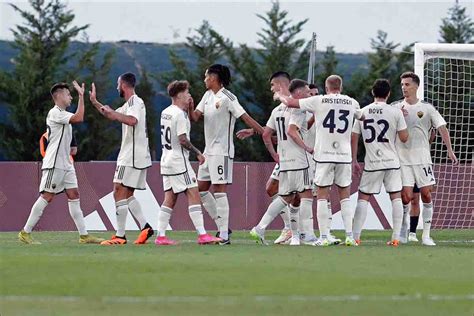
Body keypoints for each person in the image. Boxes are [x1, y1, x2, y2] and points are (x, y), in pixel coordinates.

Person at [275, 75, 361, 246]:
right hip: (344, 155)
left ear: (327, 88)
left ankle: (323, 237)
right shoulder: (351, 102)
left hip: (324, 154)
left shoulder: (319, 100)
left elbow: (290, 103)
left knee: (322, 195)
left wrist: (280, 96)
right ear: (341, 87)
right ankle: (350, 236)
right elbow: (362, 117)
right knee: (344, 195)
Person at [18, 81, 104, 245]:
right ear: (58, 96)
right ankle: (25, 232)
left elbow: (71, 143)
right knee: (47, 196)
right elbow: (79, 118)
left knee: (74, 195)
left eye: (71, 94)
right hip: (54, 164)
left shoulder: (63, 114)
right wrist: (81, 96)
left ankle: (84, 235)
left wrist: (72, 146)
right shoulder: (55, 113)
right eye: (68, 94)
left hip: (66, 164)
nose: (70, 96)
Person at [188, 64, 264, 245]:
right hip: (208, 152)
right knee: (201, 189)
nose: (204, 79)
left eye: (206, 76)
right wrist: (190, 107)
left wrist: (261, 131)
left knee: (220, 190)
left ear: (214, 78)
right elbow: (195, 117)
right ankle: (223, 226)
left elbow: (244, 116)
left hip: (222, 152)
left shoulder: (228, 97)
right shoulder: (207, 96)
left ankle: (223, 235)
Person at [250, 79, 320, 246]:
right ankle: (307, 235)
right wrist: (308, 148)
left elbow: (266, 134)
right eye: (305, 92)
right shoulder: (298, 110)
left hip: (285, 161)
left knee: (285, 198)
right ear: (297, 93)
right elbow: (292, 131)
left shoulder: (277, 110)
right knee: (306, 195)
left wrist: (274, 154)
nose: (307, 95)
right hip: (299, 159)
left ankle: (260, 228)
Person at [391, 72, 457, 246]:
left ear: (416, 86)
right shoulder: (396, 106)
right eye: (402, 84)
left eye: (407, 84)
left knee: (426, 195)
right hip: (402, 159)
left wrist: (449, 150)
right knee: (405, 197)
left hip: (422, 159)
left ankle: (426, 235)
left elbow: (442, 127)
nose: (404, 87)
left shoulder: (427, 108)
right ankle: (404, 230)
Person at [89, 72, 154, 245]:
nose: (116, 87)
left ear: (124, 85)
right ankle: (145, 227)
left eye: (118, 84)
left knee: (118, 189)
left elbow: (132, 121)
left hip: (131, 156)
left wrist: (113, 113)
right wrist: (95, 103)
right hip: (136, 155)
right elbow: (111, 115)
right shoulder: (129, 104)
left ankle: (120, 235)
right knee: (127, 193)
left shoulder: (135, 102)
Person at [156, 80, 222, 245]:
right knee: (193, 192)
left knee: (169, 198)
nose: (189, 96)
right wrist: (198, 153)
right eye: (187, 93)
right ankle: (202, 234)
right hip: (179, 161)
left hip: (166, 160)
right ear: (179, 96)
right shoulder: (179, 114)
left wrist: (190, 107)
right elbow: (182, 139)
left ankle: (161, 236)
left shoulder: (166, 111)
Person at [237, 71, 294, 244]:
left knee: (297, 195)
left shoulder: (297, 105)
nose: (271, 89)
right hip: (285, 157)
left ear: (281, 85)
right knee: (272, 189)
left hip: (300, 157)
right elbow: (271, 133)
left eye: (272, 85)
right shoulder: (279, 109)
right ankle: (290, 229)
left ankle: (298, 232)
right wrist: (254, 131)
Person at [351, 79, 408, 246]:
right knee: (395, 196)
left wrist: (354, 160)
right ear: (389, 93)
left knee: (363, 197)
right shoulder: (396, 112)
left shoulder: (363, 111)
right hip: (392, 161)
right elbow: (404, 138)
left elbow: (354, 137)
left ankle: (355, 237)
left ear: (372, 93)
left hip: (373, 162)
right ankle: (395, 238)